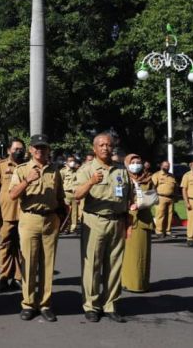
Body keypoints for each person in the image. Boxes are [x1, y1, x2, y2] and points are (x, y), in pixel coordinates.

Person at [9, 134, 65, 323]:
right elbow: (12, 195)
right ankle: (28, 303)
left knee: (48, 264)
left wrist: (61, 216)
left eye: (44, 148)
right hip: (30, 219)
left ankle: (45, 304)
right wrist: (28, 181)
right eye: (37, 147)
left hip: (50, 219)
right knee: (29, 263)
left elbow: (60, 196)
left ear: (48, 150)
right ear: (31, 150)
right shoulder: (22, 169)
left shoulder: (55, 170)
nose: (40, 151)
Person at [75, 133, 130, 323]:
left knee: (114, 265)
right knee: (92, 265)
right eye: (101, 145)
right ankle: (91, 305)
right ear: (94, 148)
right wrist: (91, 181)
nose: (106, 148)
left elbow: (128, 198)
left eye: (108, 145)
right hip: (95, 221)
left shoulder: (121, 171)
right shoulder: (87, 169)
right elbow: (76, 195)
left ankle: (110, 305)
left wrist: (127, 223)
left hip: (117, 221)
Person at [0, 138, 26, 292]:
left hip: (25, 214)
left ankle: (18, 278)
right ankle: (4, 277)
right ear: (8, 150)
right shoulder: (1, 166)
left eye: (21, 148)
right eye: (16, 148)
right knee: (5, 246)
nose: (19, 151)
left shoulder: (28, 167)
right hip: (6, 214)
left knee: (21, 248)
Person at [121, 154, 153, 293]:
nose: (135, 164)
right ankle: (125, 281)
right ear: (127, 164)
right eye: (132, 162)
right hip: (125, 218)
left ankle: (139, 283)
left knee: (141, 252)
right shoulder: (122, 177)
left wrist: (140, 204)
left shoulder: (148, 179)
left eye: (138, 162)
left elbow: (152, 197)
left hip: (142, 218)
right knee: (125, 252)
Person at [151, 161, 177, 239]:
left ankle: (168, 231)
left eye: (168, 166)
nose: (167, 167)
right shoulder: (156, 175)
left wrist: (176, 196)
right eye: (165, 166)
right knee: (160, 215)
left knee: (169, 215)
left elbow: (175, 187)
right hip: (160, 197)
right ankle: (159, 231)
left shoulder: (171, 176)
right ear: (161, 166)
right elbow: (153, 187)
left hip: (171, 198)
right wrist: (154, 197)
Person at [60, 155, 80, 234]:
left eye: (73, 161)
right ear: (67, 162)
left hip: (75, 193)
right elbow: (60, 183)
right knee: (66, 211)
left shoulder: (77, 171)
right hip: (66, 193)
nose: (72, 162)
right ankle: (66, 227)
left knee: (74, 212)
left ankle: (73, 228)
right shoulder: (63, 171)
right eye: (70, 161)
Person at [181, 160, 193, 247]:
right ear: (191, 166)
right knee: (192, 220)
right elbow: (184, 190)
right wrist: (186, 202)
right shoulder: (187, 175)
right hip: (192, 200)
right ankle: (190, 238)